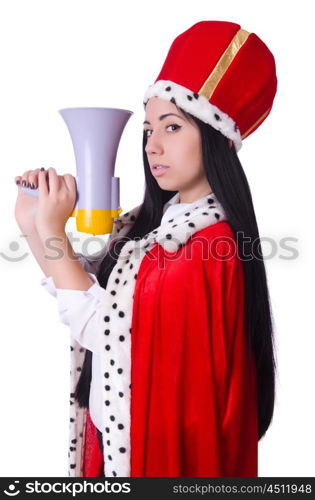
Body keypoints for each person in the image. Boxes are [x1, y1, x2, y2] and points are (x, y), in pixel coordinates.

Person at [14, 20, 277, 477]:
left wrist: (54, 233)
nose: (153, 146)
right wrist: (35, 227)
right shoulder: (155, 228)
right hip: (115, 447)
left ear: (214, 138)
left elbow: (107, 333)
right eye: (149, 129)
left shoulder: (208, 247)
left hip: (150, 460)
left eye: (172, 127)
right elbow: (91, 303)